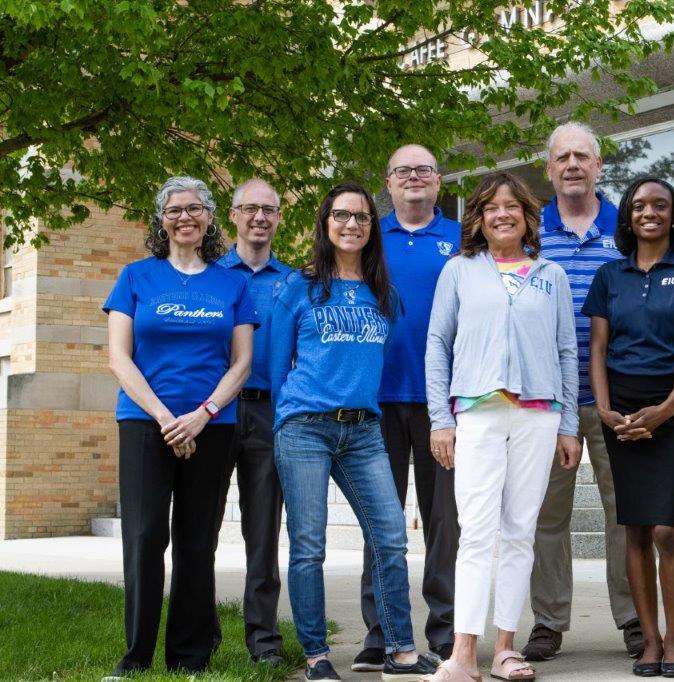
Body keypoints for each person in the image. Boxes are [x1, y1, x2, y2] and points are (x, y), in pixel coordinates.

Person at [269, 182, 437, 682]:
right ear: (325, 223)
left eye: (362, 217)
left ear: (372, 228)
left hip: (363, 430)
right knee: (308, 546)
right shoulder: (299, 287)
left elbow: (375, 363)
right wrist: (292, 415)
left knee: (389, 537)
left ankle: (401, 649)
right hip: (305, 430)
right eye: (341, 215)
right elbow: (279, 368)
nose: (352, 224)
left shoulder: (384, 294)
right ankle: (317, 655)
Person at [423, 171, 580, 682]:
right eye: (492, 207)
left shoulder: (549, 275)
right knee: (476, 531)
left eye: (513, 206)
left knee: (520, 531)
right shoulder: (460, 271)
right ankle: (463, 653)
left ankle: (507, 648)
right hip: (477, 412)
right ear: (479, 219)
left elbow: (566, 351)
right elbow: (437, 345)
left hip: (539, 414)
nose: (503, 214)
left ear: (528, 216)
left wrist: (570, 424)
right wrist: (440, 419)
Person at [103, 176, 257, 678]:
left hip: (212, 425)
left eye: (195, 208)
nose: (184, 217)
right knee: (145, 537)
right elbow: (119, 359)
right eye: (174, 210)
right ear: (160, 220)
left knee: (197, 540)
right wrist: (168, 418)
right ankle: (136, 657)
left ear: (211, 217)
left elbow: (242, 364)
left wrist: (202, 414)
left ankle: (190, 656)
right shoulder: (134, 277)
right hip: (147, 423)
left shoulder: (232, 283)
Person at [584, 177, 674, 678]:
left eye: (659, 205)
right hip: (621, 408)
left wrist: (665, 410)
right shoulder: (609, 276)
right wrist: (603, 408)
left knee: (666, 528)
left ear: (673, 214)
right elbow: (597, 347)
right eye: (639, 206)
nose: (648, 213)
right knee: (635, 528)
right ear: (627, 216)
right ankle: (650, 642)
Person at [527, 121, 642, 663]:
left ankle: (634, 618)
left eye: (582, 156)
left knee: (625, 513)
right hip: (547, 401)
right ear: (549, 170)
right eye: (562, 158)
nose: (572, 165)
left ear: (598, 166)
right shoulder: (529, 233)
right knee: (547, 517)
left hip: (617, 398)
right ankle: (548, 621)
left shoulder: (631, 230)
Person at [354, 145, 461, 672]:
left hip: (444, 405)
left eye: (423, 170)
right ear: (388, 184)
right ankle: (382, 630)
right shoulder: (367, 238)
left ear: (438, 183)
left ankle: (444, 630)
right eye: (402, 171)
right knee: (381, 520)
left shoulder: (463, 241)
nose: (413, 178)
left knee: (444, 522)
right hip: (376, 400)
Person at [212, 178, 293, 666]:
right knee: (200, 529)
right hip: (216, 413)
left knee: (262, 533)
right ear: (233, 215)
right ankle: (197, 638)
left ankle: (263, 642)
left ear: (279, 218)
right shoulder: (209, 276)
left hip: (270, 414)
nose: (260, 217)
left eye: (269, 209)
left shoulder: (294, 281)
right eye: (250, 209)